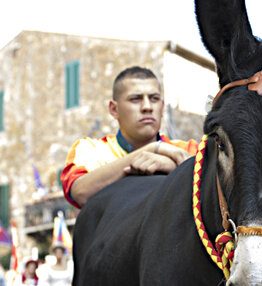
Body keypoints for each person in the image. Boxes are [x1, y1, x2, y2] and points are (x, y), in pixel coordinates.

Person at [61, 66, 198, 208]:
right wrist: (150, 151)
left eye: (154, 98)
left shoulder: (189, 149)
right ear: (114, 109)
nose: (147, 107)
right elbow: (80, 192)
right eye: (135, 99)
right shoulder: (91, 150)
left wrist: (171, 167)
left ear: (162, 107)